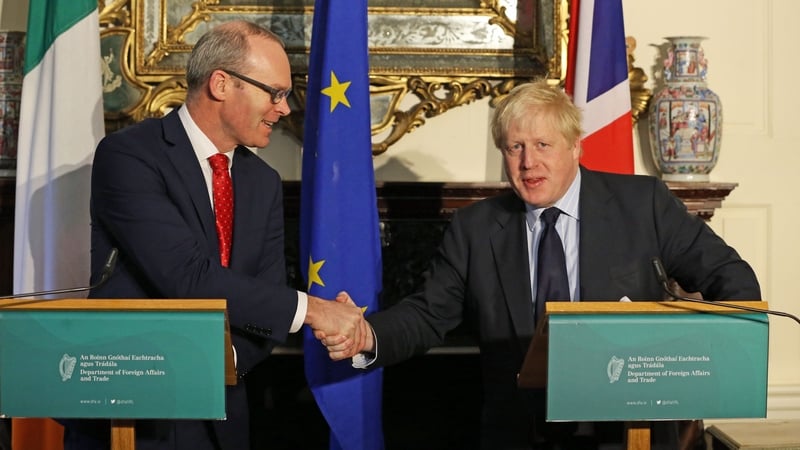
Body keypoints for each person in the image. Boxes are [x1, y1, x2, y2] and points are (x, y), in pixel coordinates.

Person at [321, 79, 761, 449]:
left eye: (542, 145)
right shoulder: (475, 229)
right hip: (519, 434)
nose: (528, 162)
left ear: (575, 146)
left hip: (628, 432)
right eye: (515, 147)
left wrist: (708, 364)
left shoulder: (642, 205)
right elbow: (427, 315)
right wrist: (368, 334)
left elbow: (731, 277)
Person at [67, 21, 366, 450]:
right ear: (222, 84)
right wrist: (315, 310)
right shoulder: (130, 156)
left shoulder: (263, 181)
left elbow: (264, 298)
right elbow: (186, 276)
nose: (284, 109)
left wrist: (220, 363)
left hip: (221, 420)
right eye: (275, 93)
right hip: (133, 415)